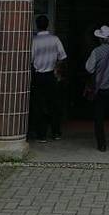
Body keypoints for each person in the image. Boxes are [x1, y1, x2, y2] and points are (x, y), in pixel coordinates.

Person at [31, 14, 66, 142]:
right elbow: (62, 57)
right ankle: (56, 133)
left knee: (39, 106)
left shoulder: (34, 41)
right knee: (54, 105)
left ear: (37, 25)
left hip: (39, 76)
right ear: (48, 25)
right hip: (52, 75)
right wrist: (56, 69)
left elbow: (30, 59)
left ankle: (41, 135)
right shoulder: (55, 39)